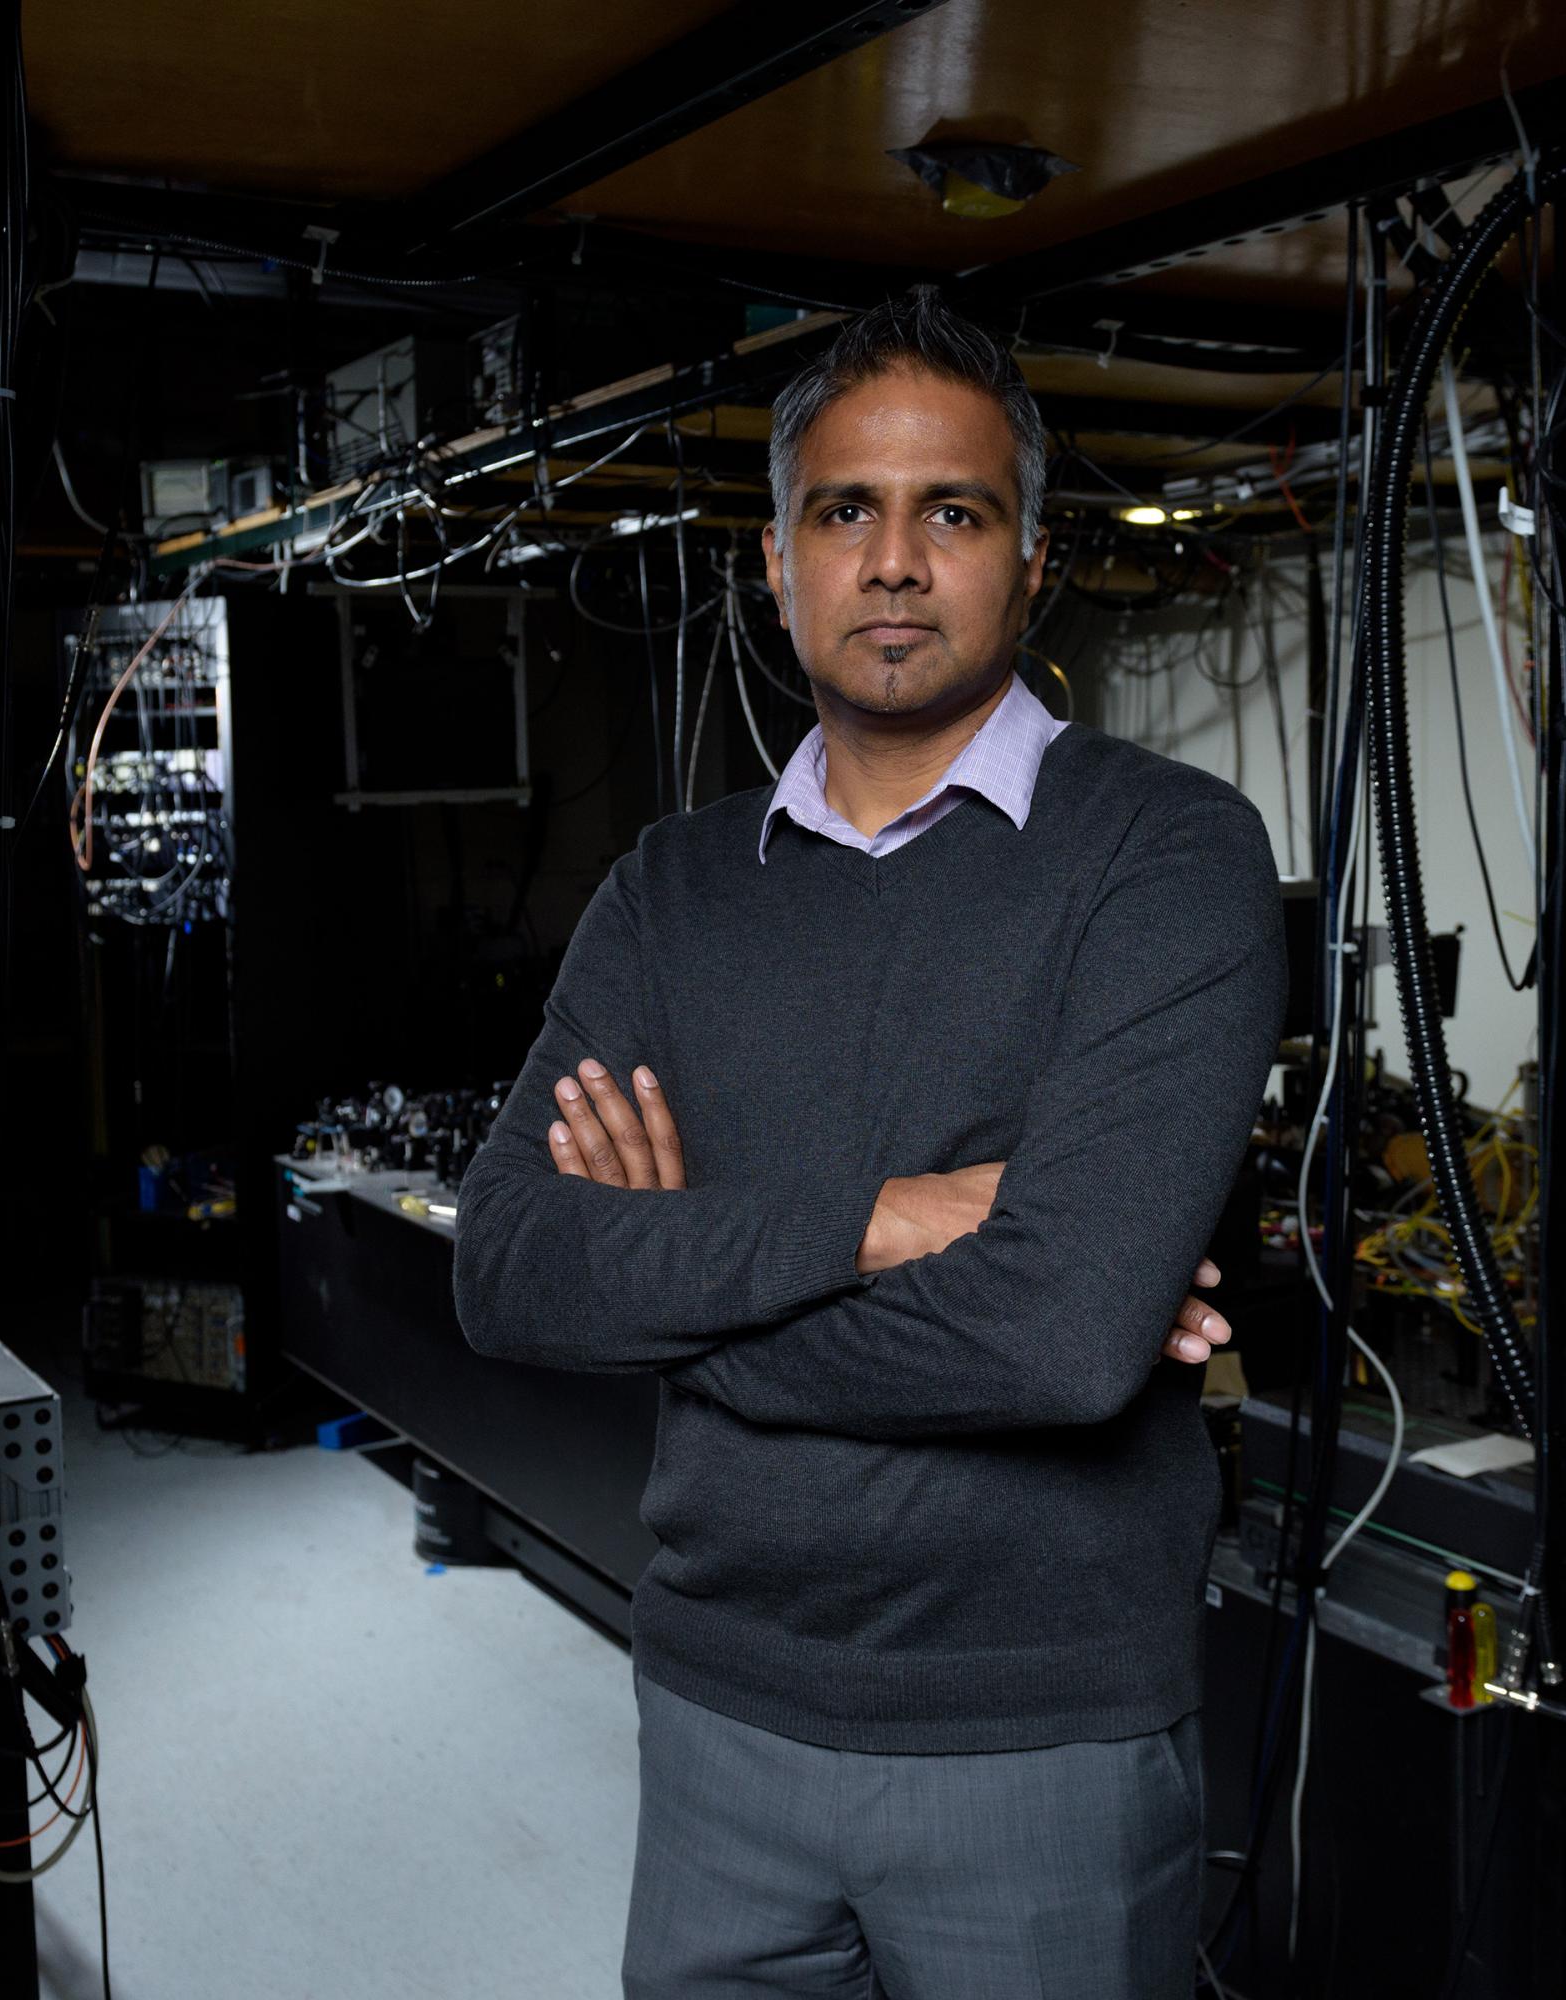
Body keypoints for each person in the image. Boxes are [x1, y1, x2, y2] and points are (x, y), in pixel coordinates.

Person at [454, 287, 1285, 1998]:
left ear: (1032, 559)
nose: (894, 561)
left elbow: (1059, 1344)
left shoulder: (1169, 858)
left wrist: (683, 1298)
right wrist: (891, 1219)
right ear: (778, 560)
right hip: (709, 1710)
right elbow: (513, 1269)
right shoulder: (671, 892)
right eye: (847, 510)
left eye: (952, 511)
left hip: (1036, 1739)